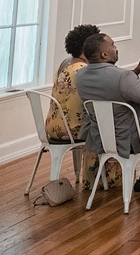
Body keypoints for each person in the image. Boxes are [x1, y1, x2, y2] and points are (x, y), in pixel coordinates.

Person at [76, 33, 140, 192]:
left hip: (101, 139)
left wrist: (137, 70)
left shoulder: (81, 75)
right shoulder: (122, 77)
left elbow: (113, 85)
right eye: (112, 44)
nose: (115, 47)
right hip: (130, 139)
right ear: (104, 54)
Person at [46, 24, 119, 188]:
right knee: (113, 126)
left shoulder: (65, 63)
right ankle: (103, 180)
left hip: (53, 124)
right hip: (71, 129)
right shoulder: (84, 71)